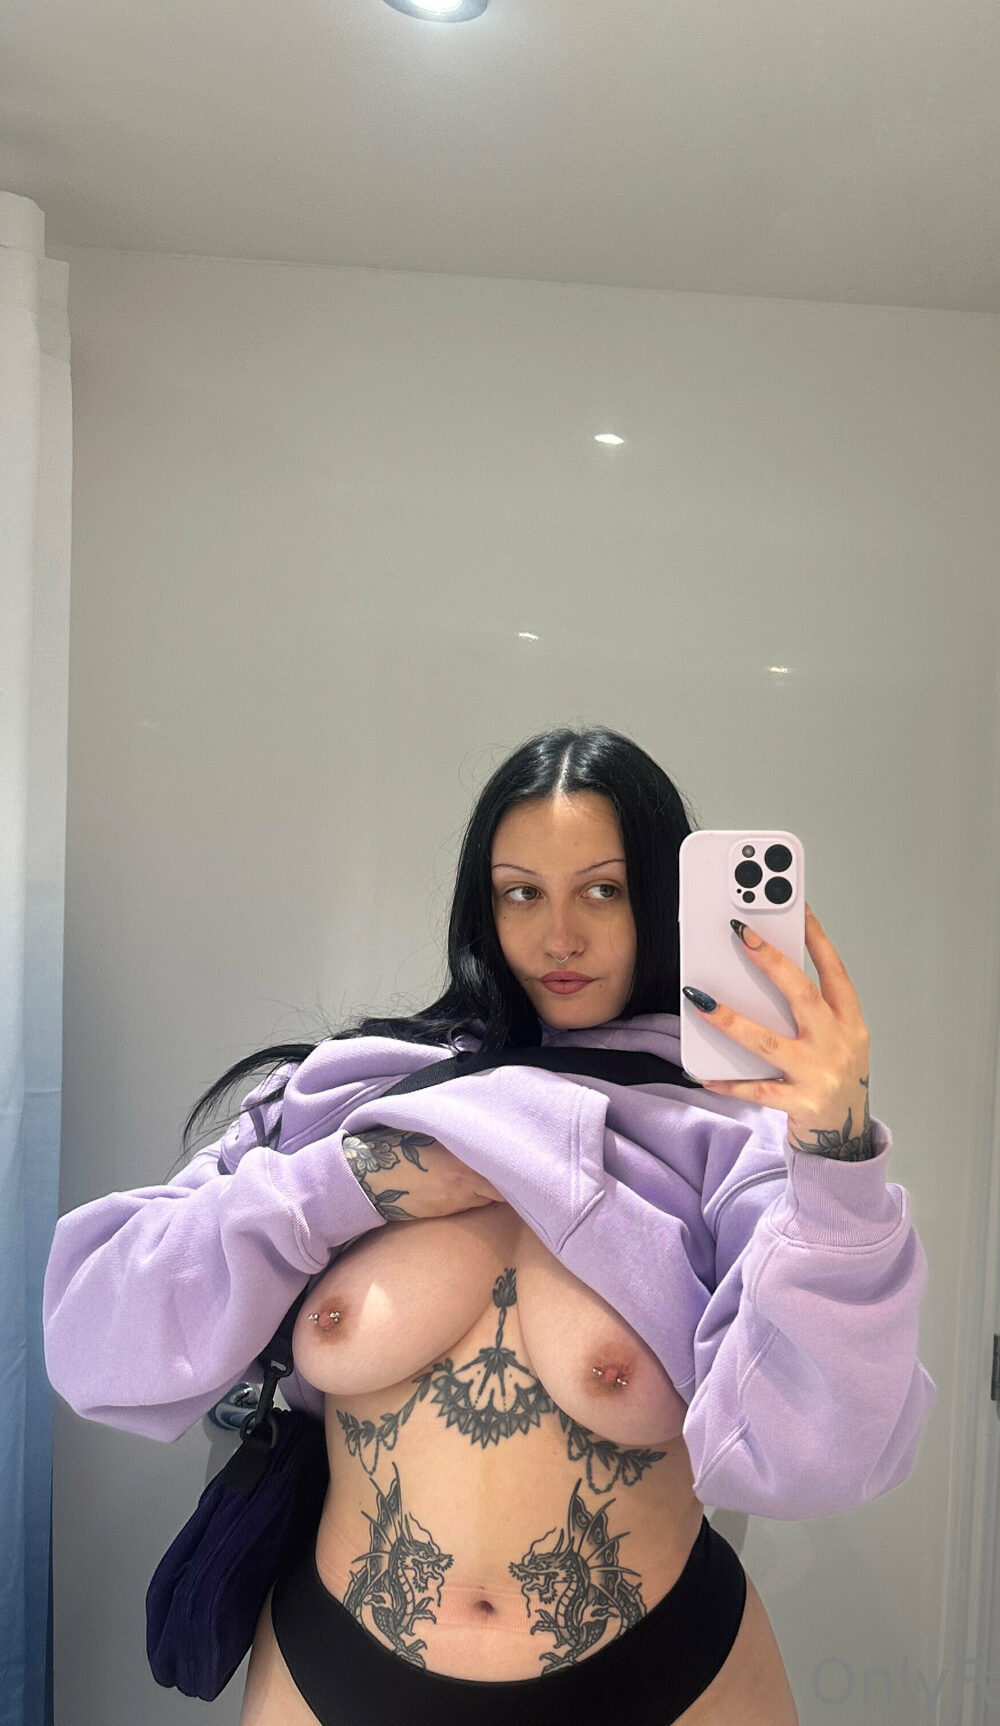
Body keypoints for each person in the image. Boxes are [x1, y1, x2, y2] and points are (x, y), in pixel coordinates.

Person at [43, 726, 935, 1725]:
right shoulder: (347, 1096)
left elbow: (822, 1453)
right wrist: (353, 1182)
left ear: (664, 899)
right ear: (483, 904)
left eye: (603, 890)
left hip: (666, 1680)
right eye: (521, 893)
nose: (559, 937)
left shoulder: (735, 1141)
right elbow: (92, 1333)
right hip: (329, 1668)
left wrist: (836, 1155)